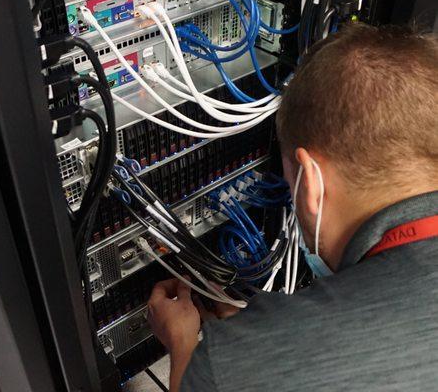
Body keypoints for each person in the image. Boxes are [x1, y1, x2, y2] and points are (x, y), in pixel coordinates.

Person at [146, 23, 438, 392]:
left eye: (290, 185)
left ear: (310, 183)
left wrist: (186, 345)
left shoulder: (236, 364)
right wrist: (275, 334)